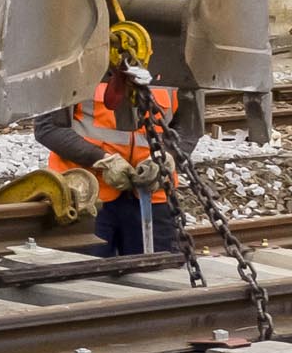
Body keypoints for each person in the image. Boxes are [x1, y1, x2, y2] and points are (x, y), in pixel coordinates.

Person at [34, 25, 195, 257]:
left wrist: (167, 158)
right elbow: (48, 128)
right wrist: (102, 160)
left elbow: (189, 129)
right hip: (86, 195)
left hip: (153, 196)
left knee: (156, 275)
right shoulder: (73, 54)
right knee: (86, 276)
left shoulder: (178, 58)